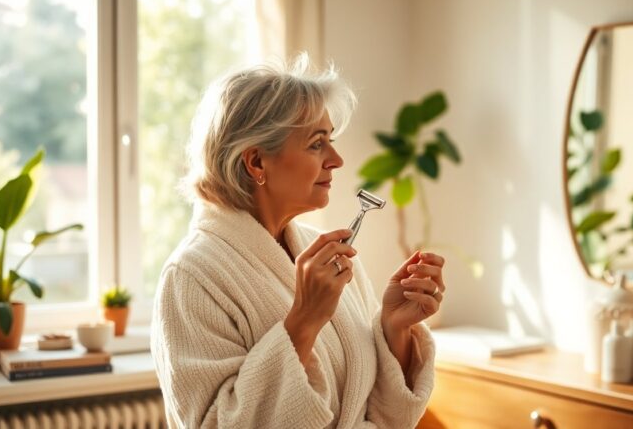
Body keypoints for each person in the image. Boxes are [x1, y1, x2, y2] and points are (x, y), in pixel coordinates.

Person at [151, 55, 446, 428]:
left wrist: (394, 328)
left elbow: (383, 412)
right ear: (256, 162)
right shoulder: (191, 278)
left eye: (331, 140)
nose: (336, 160)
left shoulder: (317, 252)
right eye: (316, 144)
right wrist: (304, 321)